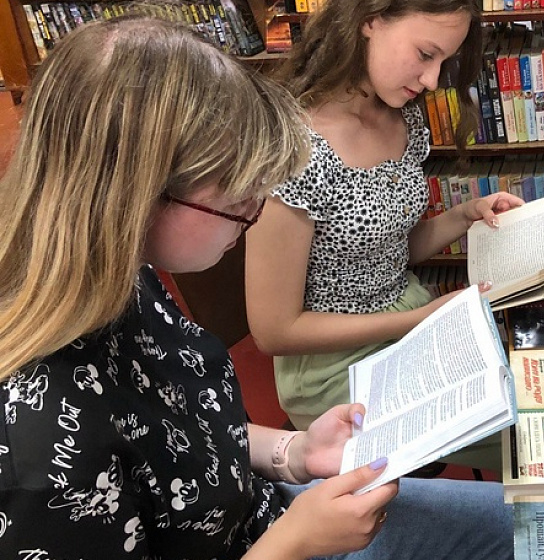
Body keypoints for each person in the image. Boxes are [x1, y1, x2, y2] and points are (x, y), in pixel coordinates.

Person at [0, 16, 511, 559]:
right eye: (239, 194)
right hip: (277, 540)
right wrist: (294, 542)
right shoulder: (38, 438)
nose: (256, 213)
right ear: (139, 192)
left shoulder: (124, 276)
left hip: (268, 509)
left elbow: (191, 436)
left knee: (535, 517)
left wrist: (295, 451)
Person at [244, 0, 524, 440]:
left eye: (444, 62)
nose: (432, 80)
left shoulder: (401, 114)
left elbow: (389, 251)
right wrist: (419, 320)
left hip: (407, 322)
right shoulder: (293, 147)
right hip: (333, 368)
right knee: (520, 428)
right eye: (425, 54)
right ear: (370, 20)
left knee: (532, 383)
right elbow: (274, 332)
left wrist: (466, 215)